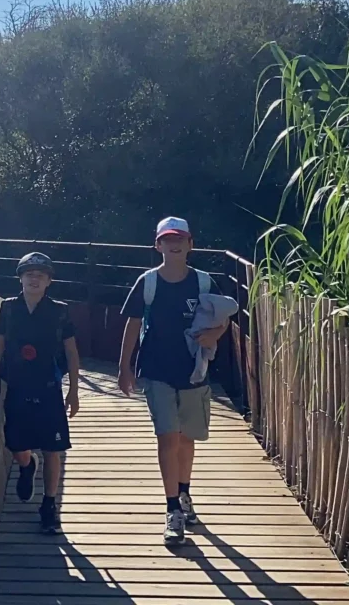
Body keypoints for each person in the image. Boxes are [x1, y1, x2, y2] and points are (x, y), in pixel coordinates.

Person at [116, 217, 232, 543]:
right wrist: (124, 367)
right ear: (158, 246)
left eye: (180, 239)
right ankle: (172, 511)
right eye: (167, 240)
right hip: (156, 371)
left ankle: (184, 493)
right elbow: (132, 323)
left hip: (194, 371)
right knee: (168, 438)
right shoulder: (148, 283)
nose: (174, 245)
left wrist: (215, 334)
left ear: (190, 244)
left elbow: (223, 318)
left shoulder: (204, 283)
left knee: (186, 438)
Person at [0, 252, 80, 534]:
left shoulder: (59, 311)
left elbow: (71, 351)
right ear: (20, 279)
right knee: (17, 446)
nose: (34, 279)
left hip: (49, 388)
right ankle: (27, 466)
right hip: (18, 386)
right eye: (29, 274)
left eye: (40, 275)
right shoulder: (9, 308)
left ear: (49, 281)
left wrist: (74, 390)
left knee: (53, 449)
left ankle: (49, 506)